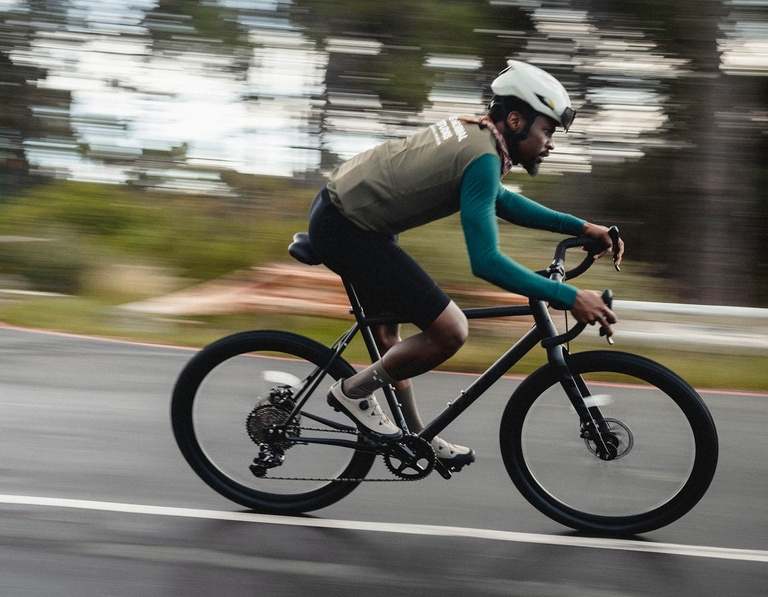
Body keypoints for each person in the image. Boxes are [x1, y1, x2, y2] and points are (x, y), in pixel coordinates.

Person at [307, 59, 623, 469]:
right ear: (515, 120)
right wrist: (567, 296)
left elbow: (501, 200)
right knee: (450, 330)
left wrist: (583, 227)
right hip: (347, 227)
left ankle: (415, 438)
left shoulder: (480, 140)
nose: (551, 143)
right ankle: (352, 392)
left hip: (350, 214)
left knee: (392, 340)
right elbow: (486, 262)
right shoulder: (482, 155)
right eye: (547, 130)